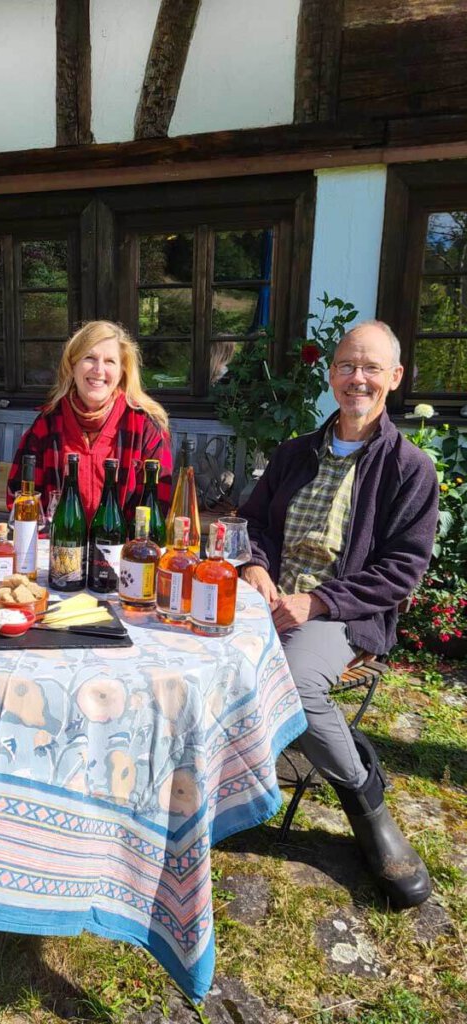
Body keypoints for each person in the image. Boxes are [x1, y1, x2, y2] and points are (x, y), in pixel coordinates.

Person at [239, 320, 439, 908]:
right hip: (270, 599)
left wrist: (317, 602)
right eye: (348, 365)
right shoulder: (295, 452)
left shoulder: (409, 468)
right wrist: (254, 567)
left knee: (298, 685)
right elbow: (255, 524)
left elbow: (403, 570)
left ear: (394, 378)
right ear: (331, 374)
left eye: (372, 367)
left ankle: (366, 802)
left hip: (340, 615)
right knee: (182, 642)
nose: (358, 378)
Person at [7, 320, 173, 522]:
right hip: (59, 548)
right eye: (89, 358)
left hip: (124, 550)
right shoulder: (47, 425)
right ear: (73, 365)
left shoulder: (145, 428)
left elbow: (156, 510)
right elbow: (20, 500)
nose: (98, 370)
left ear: (122, 371)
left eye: (110, 361)